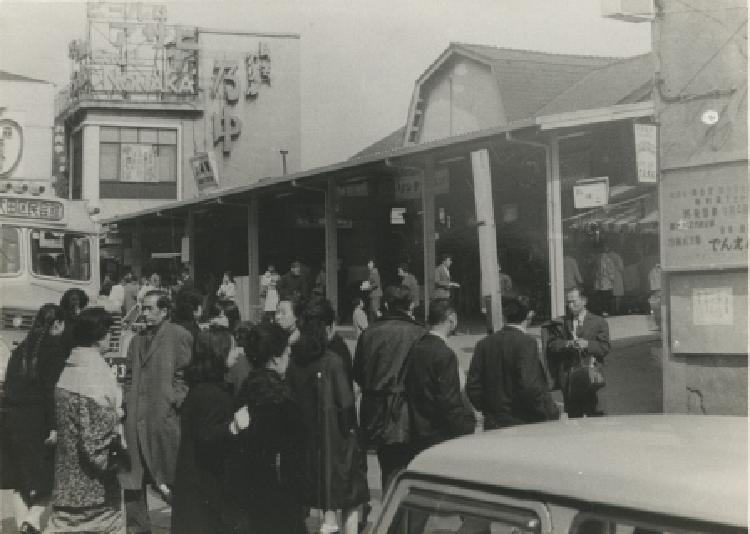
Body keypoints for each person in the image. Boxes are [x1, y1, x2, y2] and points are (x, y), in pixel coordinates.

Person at [288, 299, 369, 534]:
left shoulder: (295, 362)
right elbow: (346, 405)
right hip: (337, 442)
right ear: (327, 328)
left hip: (308, 442)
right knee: (351, 498)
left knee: (325, 504)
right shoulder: (333, 361)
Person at [120, 290, 193, 533]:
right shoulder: (136, 340)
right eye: (143, 307)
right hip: (135, 419)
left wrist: (173, 399)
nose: (145, 313)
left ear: (164, 311)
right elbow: (129, 376)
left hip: (163, 417)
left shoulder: (179, 336)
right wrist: (128, 402)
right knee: (133, 482)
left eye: (151, 308)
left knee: (169, 480)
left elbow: (185, 374)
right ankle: (137, 529)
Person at [47, 308, 124, 533]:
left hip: (66, 483)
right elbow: (95, 445)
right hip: (93, 492)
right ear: (102, 336)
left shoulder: (69, 368)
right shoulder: (95, 377)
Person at [229, 322, 306, 534]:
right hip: (279, 493)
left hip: (248, 491)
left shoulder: (246, 388)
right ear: (275, 357)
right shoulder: (281, 397)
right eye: (287, 353)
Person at [171, 328, 250, 534]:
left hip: (197, 486)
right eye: (233, 347)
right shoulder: (211, 394)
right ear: (219, 352)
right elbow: (207, 437)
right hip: (205, 487)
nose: (238, 351)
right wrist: (234, 427)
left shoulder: (203, 388)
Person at [1, 304, 66, 534]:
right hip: (39, 421)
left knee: (20, 478)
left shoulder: (21, 349)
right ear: (57, 324)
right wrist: (54, 426)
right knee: (50, 479)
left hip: (13, 419)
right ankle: (33, 518)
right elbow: (51, 391)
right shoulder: (55, 350)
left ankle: (23, 526)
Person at [354, 285, 424, 491]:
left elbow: (358, 372)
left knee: (388, 468)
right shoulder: (418, 332)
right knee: (408, 469)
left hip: (375, 408)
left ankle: (391, 516)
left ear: (385, 305)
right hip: (407, 409)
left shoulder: (369, 334)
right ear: (410, 306)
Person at [467, 297, 559, 429]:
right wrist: (542, 413)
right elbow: (530, 387)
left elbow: (472, 385)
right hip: (523, 421)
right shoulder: (527, 343)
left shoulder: (484, 344)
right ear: (530, 314)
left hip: (494, 421)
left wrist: (488, 409)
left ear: (505, 315)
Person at [405, 300, 475, 456]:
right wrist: (468, 426)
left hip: (417, 431)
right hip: (440, 435)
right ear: (451, 318)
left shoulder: (415, 348)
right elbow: (449, 402)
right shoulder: (445, 354)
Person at [547, 288, 610, 418]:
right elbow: (552, 345)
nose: (570, 306)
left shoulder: (599, 322)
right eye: (568, 302)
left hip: (592, 376)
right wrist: (568, 344)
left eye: (573, 302)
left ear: (584, 301)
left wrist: (587, 344)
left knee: (595, 414)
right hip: (570, 378)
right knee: (574, 416)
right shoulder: (562, 322)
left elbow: (605, 347)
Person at [59, 288, 89, 353]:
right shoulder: (61, 317)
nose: (76, 302)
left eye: (78, 300)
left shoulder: (83, 316)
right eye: (73, 299)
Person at [593, 244, 616, 316]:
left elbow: (595, 270)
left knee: (600, 297)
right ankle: (606, 311)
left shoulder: (597, 258)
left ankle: (601, 311)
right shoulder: (608, 259)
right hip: (607, 281)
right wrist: (612, 278)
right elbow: (610, 270)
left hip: (599, 281)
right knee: (607, 297)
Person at [607, 244, 625, 315]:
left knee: (611, 294)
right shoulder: (617, 256)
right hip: (617, 275)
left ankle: (611, 310)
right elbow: (621, 268)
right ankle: (617, 310)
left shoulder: (606, 256)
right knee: (617, 294)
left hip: (607, 276)